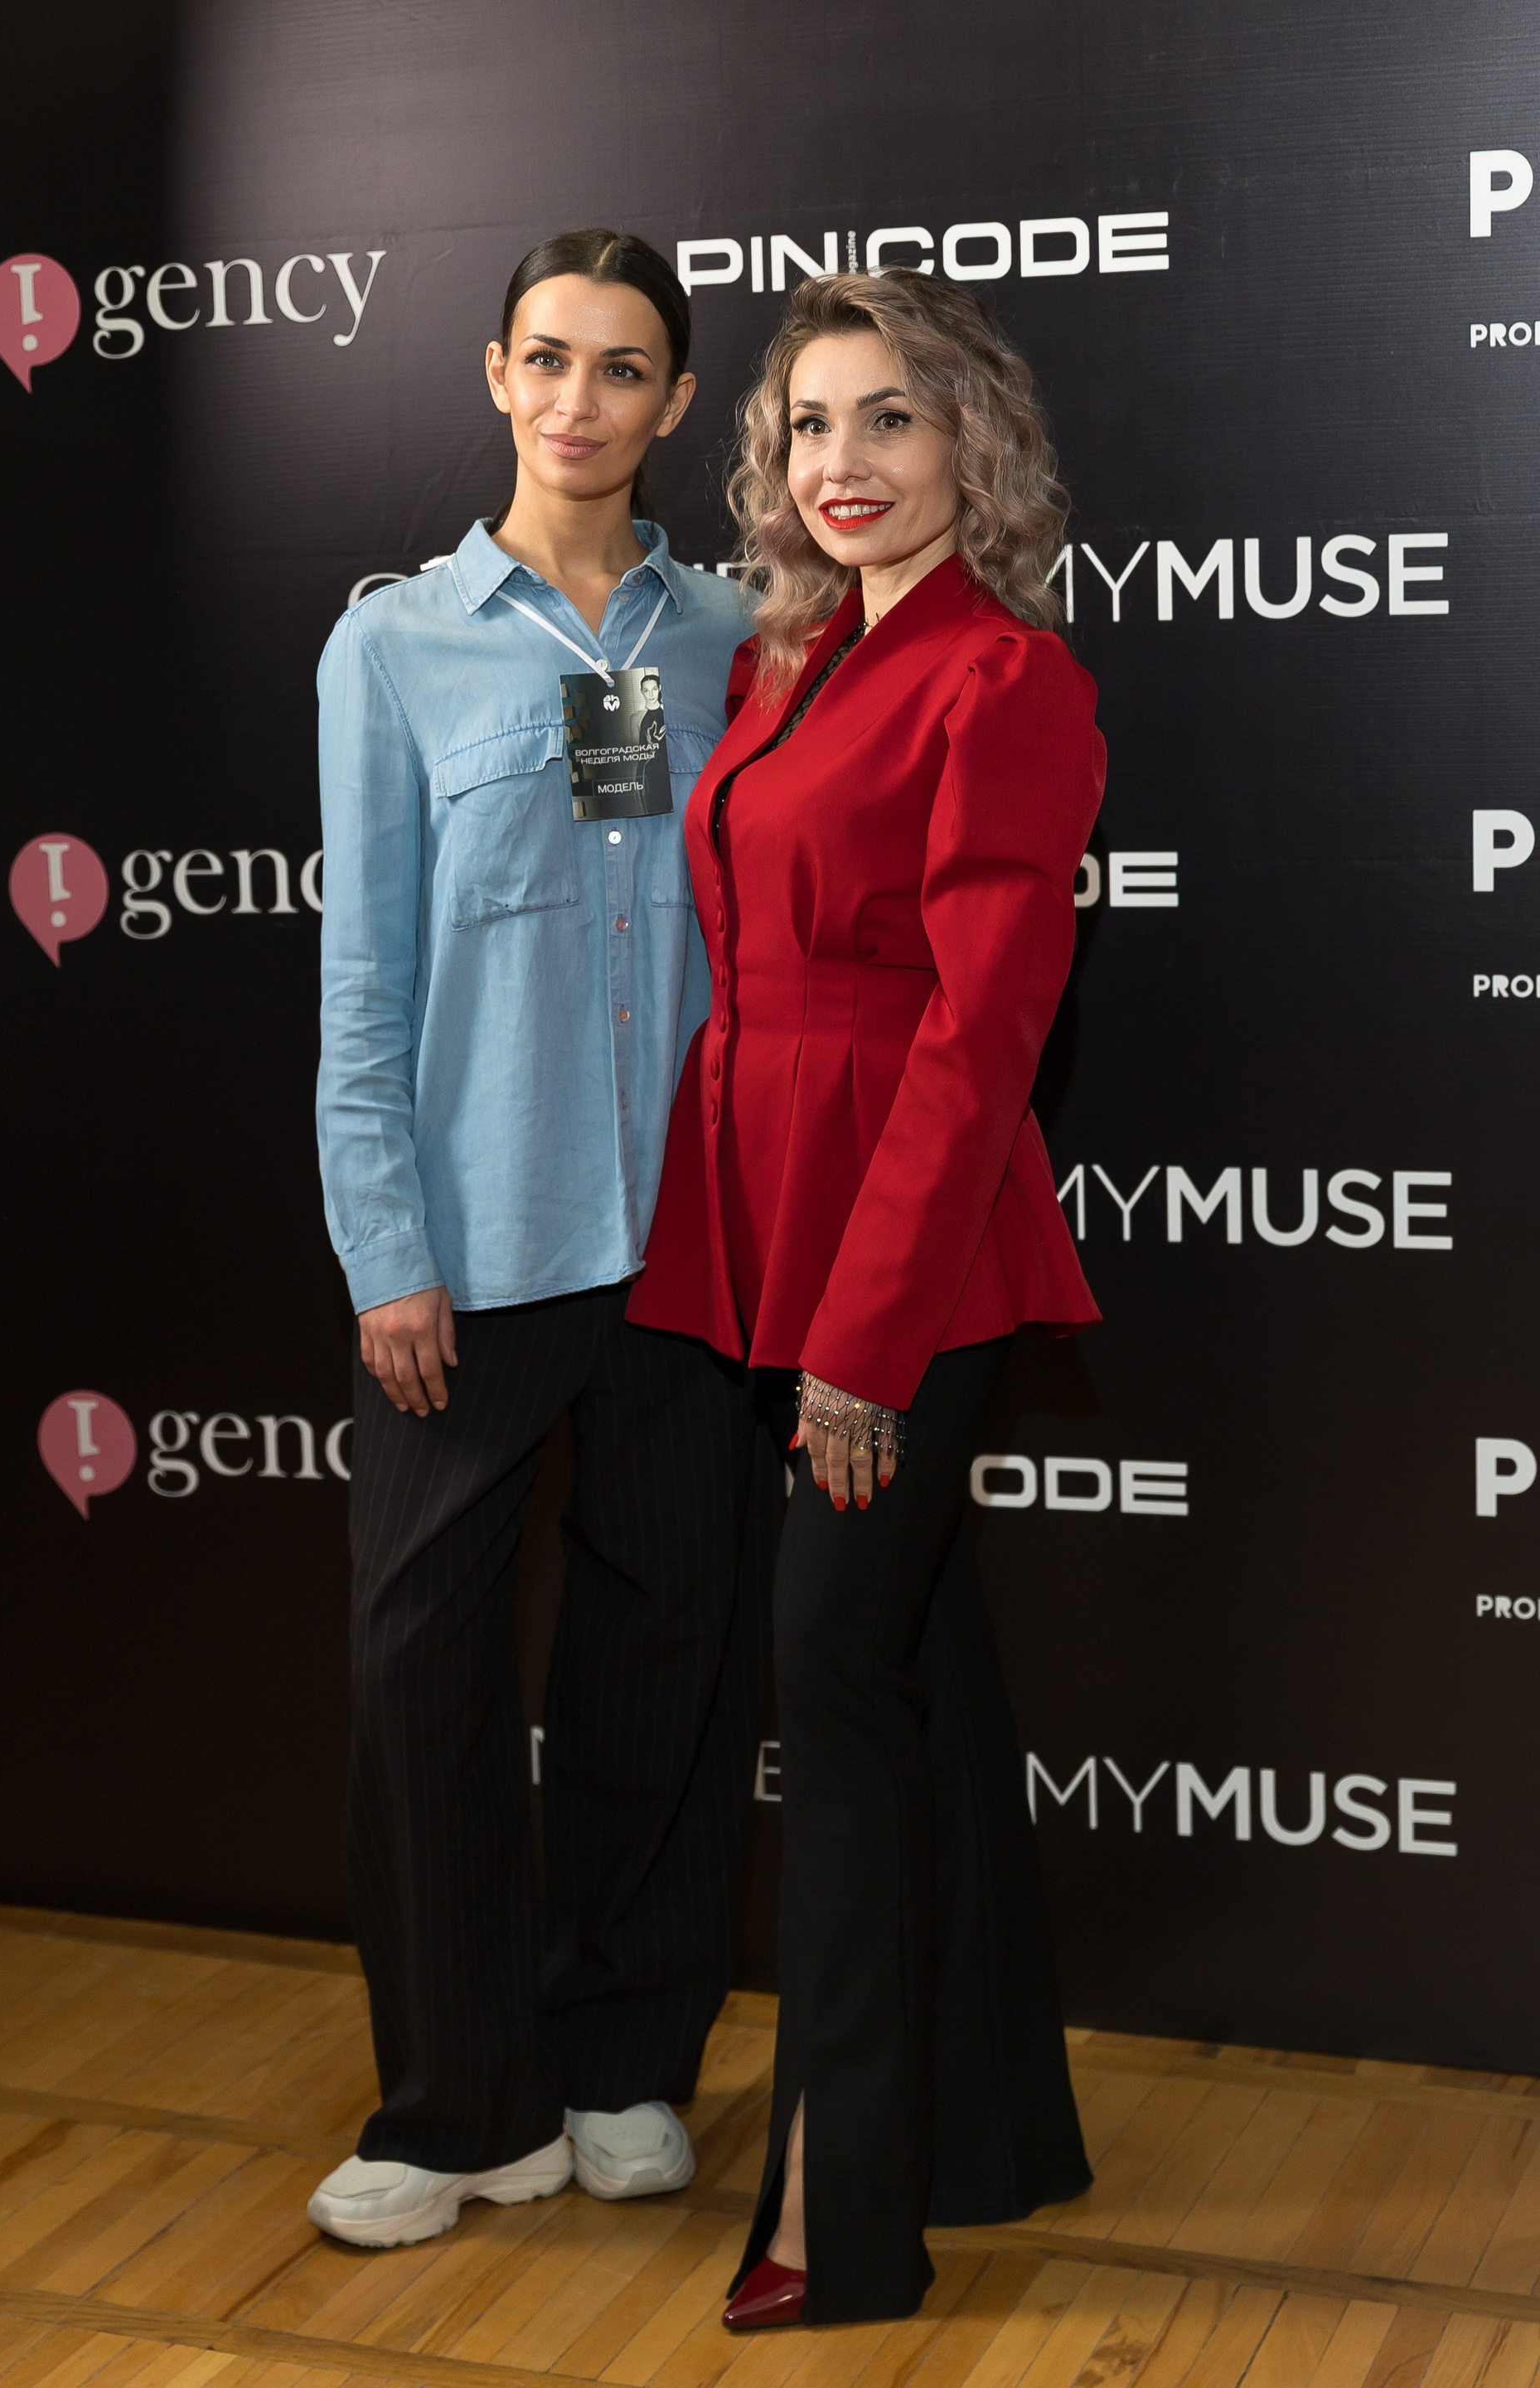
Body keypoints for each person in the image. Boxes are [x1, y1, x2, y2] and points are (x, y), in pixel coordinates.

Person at [627, 268, 1104, 2327]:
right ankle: (993, 2130)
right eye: (811, 422)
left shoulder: (1007, 680)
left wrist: (861, 1341)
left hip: (900, 1258)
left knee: (831, 1692)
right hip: (764, 1218)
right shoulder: (793, 663)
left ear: (970, 442)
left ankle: (845, 2204)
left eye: (891, 417)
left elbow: (982, 1044)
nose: (845, 459)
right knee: (923, 1675)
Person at [310, 229, 770, 2250]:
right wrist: (384, 1248)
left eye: (626, 367)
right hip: (473, 1249)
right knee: (420, 1669)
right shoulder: (394, 645)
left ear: (678, 402)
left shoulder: (744, 633)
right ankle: (456, 2105)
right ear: (498, 374)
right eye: (550, 359)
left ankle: (620, 2062)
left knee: (665, 1653)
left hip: (691, 1242)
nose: (582, 400)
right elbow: (362, 979)